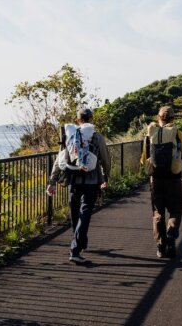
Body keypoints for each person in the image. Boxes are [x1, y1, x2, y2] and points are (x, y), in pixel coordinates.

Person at [46, 106, 111, 264]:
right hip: (91, 182)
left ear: (78, 120)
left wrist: (52, 181)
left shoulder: (70, 136)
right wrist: (105, 177)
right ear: (91, 119)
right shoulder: (97, 137)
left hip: (73, 181)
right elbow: (105, 159)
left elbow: (60, 160)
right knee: (85, 214)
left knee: (75, 215)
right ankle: (75, 249)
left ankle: (80, 243)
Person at [140, 105, 182, 258]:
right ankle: (171, 235)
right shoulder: (178, 134)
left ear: (158, 118)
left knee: (158, 212)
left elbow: (144, 159)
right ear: (173, 118)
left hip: (156, 179)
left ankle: (160, 246)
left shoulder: (150, 134)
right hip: (173, 178)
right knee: (175, 210)